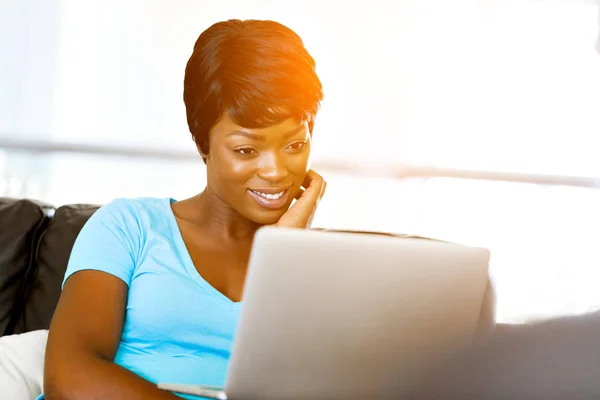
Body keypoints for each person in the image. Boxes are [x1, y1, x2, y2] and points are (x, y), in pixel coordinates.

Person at [41, 19, 325, 400]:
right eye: (246, 150)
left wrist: (287, 255)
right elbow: (69, 376)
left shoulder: (325, 268)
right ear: (202, 142)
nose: (275, 172)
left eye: (294, 145)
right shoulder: (128, 226)